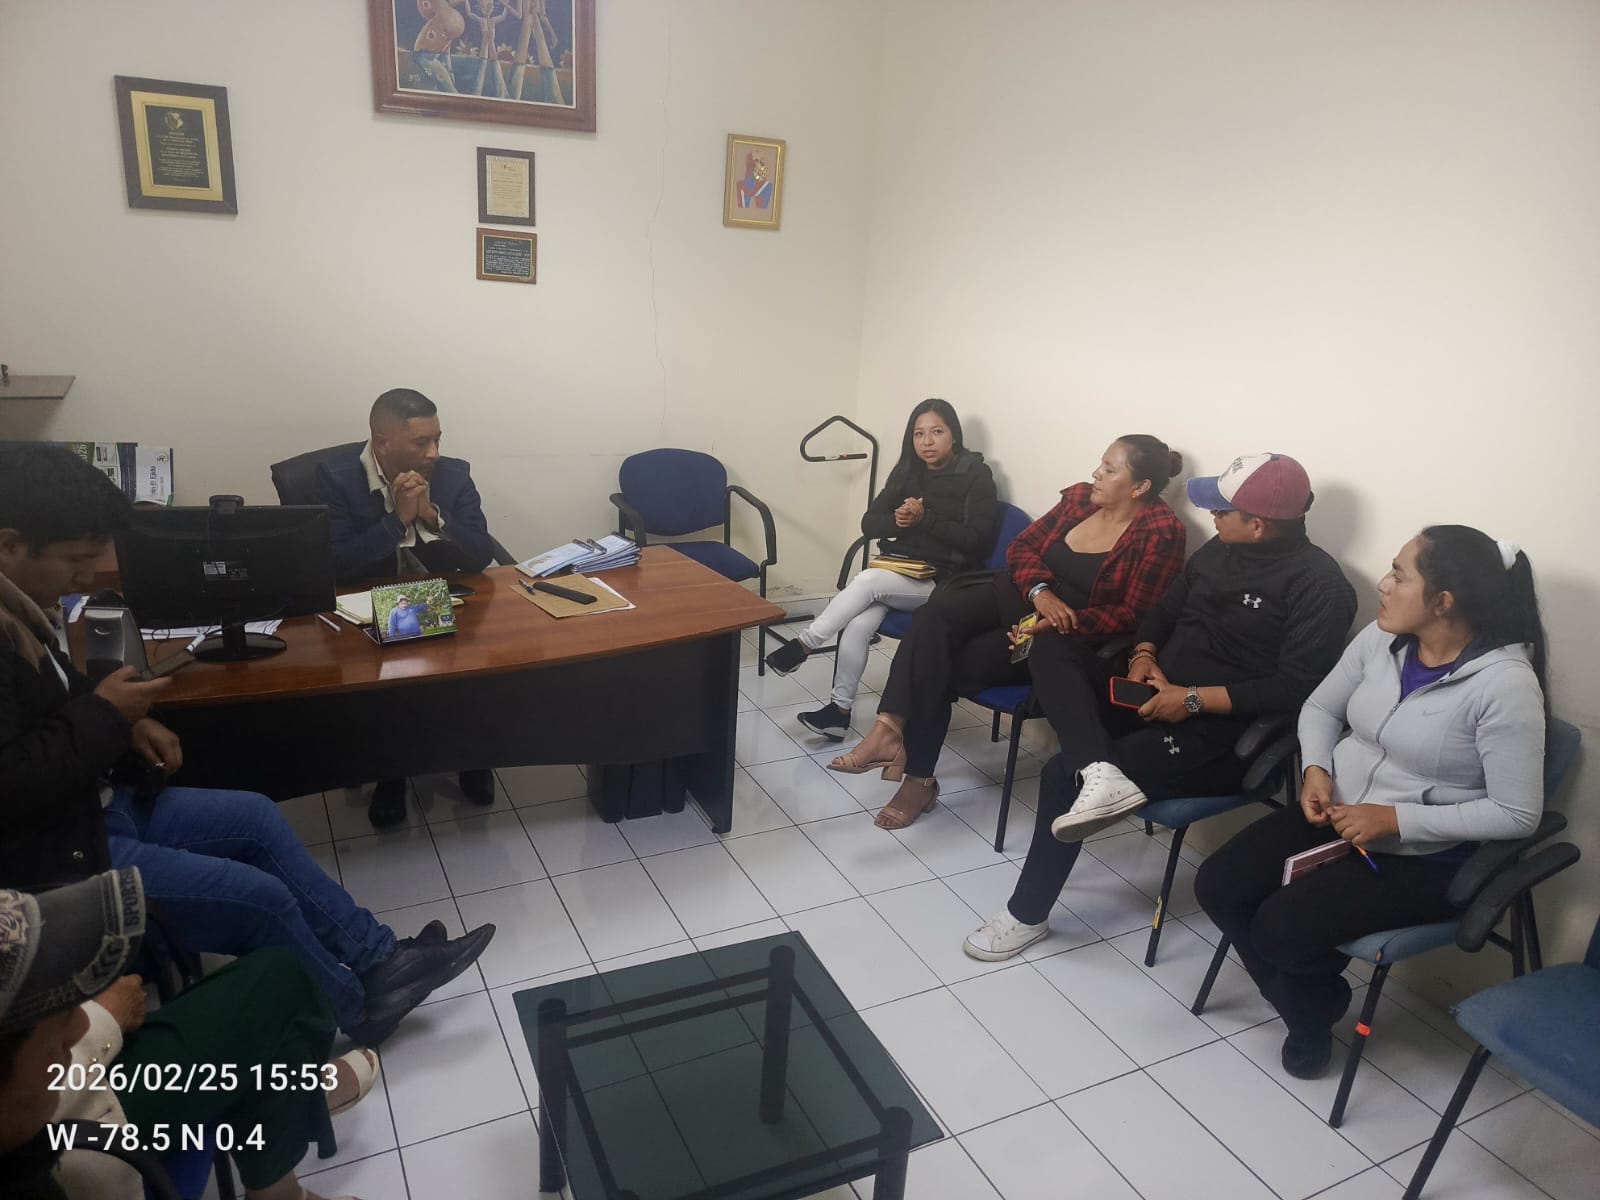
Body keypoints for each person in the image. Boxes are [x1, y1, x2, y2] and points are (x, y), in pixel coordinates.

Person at [0, 444, 493, 1047]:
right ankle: (359, 1009)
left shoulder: (21, 607)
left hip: (97, 806)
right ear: (9, 546)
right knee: (259, 898)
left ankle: (381, 958)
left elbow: (48, 696)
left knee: (256, 817)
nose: (86, 578)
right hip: (58, 853)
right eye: (77, 561)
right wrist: (104, 714)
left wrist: (124, 724)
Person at [964, 451, 1358, 962]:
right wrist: (1144, 655)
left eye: (1221, 510)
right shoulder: (1220, 549)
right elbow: (1163, 611)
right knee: (1052, 644)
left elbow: (1296, 689)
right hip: (1154, 693)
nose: (1211, 517)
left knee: (1063, 774)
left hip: (1220, 735)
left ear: (1258, 525)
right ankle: (1100, 769)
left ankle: (1026, 915)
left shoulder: (1321, 587)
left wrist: (1191, 700)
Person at [1192, 526, 1547, 1079]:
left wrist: (1395, 819)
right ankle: (1312, 1003)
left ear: (1443, 601)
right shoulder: (1381, 640)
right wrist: (1316, 769)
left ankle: (1306, 1019)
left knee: (1280, 928)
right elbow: (1320, 708)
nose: (1383, 584)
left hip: (1428, 855)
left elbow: (1517, 813)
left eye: (1399, 576)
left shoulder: (1504, 686)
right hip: (1339, 813)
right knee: (1218, 884)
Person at [831, 436, 1187, 829]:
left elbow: (1135, 613)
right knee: (933, 618)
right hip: (1018, 595)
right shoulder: (1080, 500)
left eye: (1109, 469)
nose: (1095, 474)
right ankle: (889, 730)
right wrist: (1041, 592)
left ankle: (915, 776)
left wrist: (1064, 619)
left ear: (1139, 487)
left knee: (938, 660)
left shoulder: (1160, 533)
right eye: (1100, 464)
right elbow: (1021, 549)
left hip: (1055, 635)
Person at [0, 869, 372, 1200]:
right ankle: (290, 1096)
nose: (79, 1025)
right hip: (88, 1116)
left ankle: (287, 1091)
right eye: (60, 1017)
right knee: (277, 977)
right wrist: (104, 1019)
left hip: (66, 1102)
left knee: (267, 989)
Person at [315, 387, 499, 825]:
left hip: (444, 597)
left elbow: (480, 554)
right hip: (372, 605)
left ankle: (473, 755)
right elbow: (335, 564)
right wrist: (396, 519)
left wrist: (433, 515)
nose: (434, 453)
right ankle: (392, 772)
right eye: (421, 442)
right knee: (392, 679)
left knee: (482, 664)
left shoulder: (454, 476)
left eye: (437, 439)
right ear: (383, 443)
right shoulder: (336, 479)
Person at [763, 399, 998, 739]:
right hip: (902, 570)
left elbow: (976, 539)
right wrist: (899, 521)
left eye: (936, 432)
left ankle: (805, 645)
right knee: (858, 624)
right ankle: (839, 712)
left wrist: (925, 519)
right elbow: (870, 523)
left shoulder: (976, 475)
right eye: (918, 434)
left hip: (947, 580)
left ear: (954, 435)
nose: (927, 442)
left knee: (868, 581)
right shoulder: (908, 471)